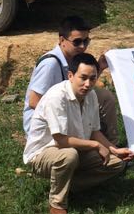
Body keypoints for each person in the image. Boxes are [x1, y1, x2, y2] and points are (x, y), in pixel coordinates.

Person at [23, 52, 134, 214]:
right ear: (70, 76)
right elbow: (60, 140)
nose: (88, 83)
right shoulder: (56, 97)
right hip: (43, 154)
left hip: (75, 149)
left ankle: (67, 186)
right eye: (83, 77)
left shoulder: (91, 96)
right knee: (69, 156)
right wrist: (95, 145)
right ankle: (57, 205)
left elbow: (95, 131)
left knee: (116, 164)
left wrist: (114, 149)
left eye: (92, 78)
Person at [23, 15, 119, 143]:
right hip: (45, 127)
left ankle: (112, 145)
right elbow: (34, 102)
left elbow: (81, 84)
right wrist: (74, 116)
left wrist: (99, 68)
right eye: (77, 42)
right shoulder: (51, 64)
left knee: (104, 97)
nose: (82, 47)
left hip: (66, 112)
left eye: (86, 41)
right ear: (62, 40)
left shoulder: (73, 58)